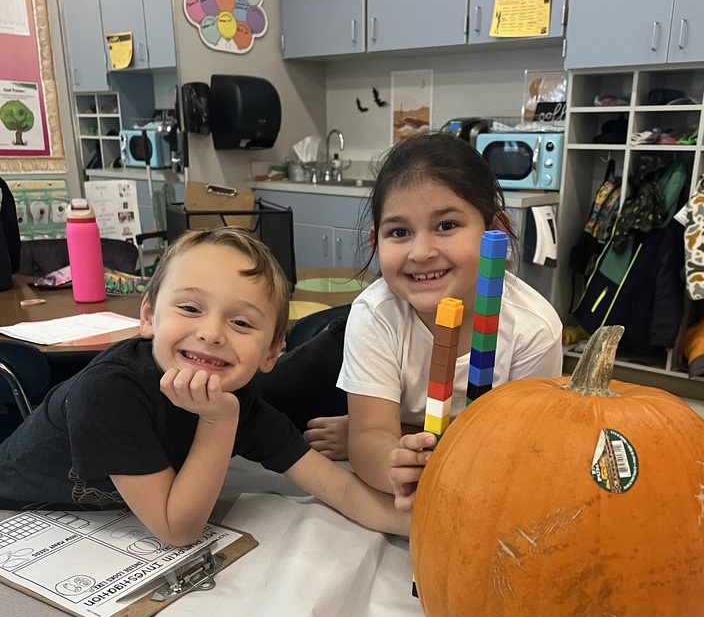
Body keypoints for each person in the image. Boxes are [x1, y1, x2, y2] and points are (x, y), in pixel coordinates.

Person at [0, 227, 410, 544]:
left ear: (271, 352)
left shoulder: (240, 405)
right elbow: (177, 530)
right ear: (149, 317)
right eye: (191, 308)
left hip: (99, 525)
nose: (211, 333)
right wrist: (216, 423)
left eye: (242, 322)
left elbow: (340, 488)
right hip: (18, 521)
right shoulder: (109, 392)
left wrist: (426, 526)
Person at [334, 131, 564, 510]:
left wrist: (404, 434)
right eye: (399, 232)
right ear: (376, 243)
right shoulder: (375, 314)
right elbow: (370, 437)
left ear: (496, 232)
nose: (421, 252)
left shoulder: (533, 331)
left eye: (446, 226)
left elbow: (517, 451)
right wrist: (390, 463)